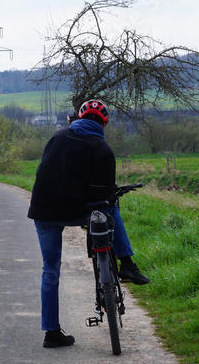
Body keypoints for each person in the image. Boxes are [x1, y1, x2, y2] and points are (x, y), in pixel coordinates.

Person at [27, 99, 150, 348]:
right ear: (104, 122)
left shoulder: (57, 137)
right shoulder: (102, 149)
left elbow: (44, 171)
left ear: (76, 118)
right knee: (110, 208)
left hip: (44, 210)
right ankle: (126, 263)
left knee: (50, 268)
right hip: (76, 211)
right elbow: (99, 194)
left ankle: (51, 332)